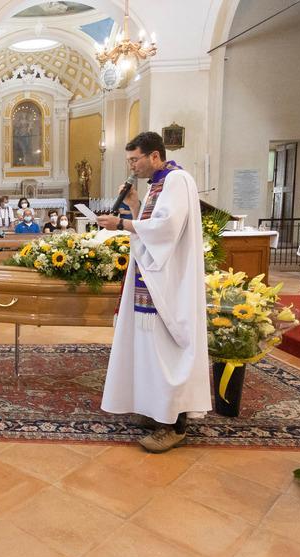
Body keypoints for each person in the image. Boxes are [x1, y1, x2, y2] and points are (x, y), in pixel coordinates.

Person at [96, 131, 210, 453]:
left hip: (170, 281)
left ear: (155, 156)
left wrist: (121, 224)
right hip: (153, 276)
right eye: (129, 160)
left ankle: (174, 424)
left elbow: (166, 229)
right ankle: (158, 409)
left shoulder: (177, 180)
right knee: (151, 347)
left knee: (167, 349)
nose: (132, 167)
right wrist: (133, 205)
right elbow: (149, 226)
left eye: (135, 160)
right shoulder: (157, 186)